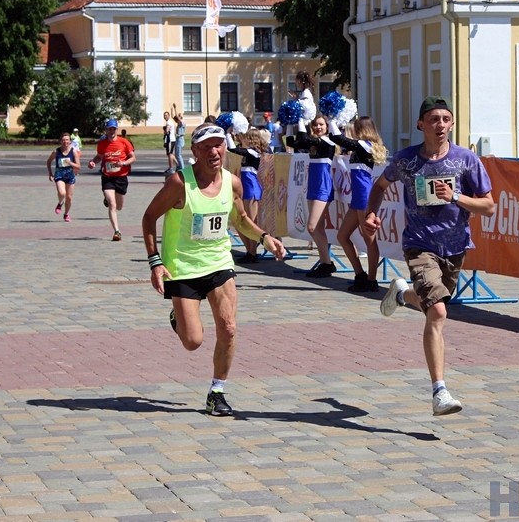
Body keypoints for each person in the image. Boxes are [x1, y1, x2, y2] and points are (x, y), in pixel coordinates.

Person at [141, 122, 286, 416]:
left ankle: (216, 392)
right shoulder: (179, 184)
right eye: (207, 146)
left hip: (219, 262)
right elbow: (148, 218)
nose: (214, 151)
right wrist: (155, 262)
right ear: (194, 151)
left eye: (219, 144)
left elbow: (241, 218)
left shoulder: (232, 182)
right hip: (182, 267)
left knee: (229, 328)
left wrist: (264, 237)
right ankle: (179, 318)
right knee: (192, 341)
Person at [363, 96, 495, 416]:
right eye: (433, 119)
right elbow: (380, 185)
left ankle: (402, 292)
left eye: (445, 119)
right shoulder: (407, 161)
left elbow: (488, 205)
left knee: (428, 303)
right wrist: (370, 214)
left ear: (451, 124)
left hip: (455, 247)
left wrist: (456, 196)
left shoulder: (465, 160)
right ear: (421, 124)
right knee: (437, 312)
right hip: (419, 245)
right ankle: (440, 392)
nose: (440, 125)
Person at [328, 116, 388, 292]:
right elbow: (335, 139)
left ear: (361, 129)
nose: (352, 130)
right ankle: (360, 274)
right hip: (358, 196)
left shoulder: (365, 145)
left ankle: (371, 279)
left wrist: (332, 118)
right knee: (342, 236)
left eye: (355, 127)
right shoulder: (362, 146)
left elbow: (338, 138)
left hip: (364, 196)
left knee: (369, 240)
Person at [288, 114, 337, 277]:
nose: (318, 127)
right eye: (315, 125)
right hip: (313, 185)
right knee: (317, 227)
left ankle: (327, 263)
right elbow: (293, 143)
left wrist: (301, 119)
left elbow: (303, 140)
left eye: (321, 124)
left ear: (327, 126)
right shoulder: (314, 143)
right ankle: (325, 263)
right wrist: (290, 123)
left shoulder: (327, 141)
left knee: (312, 226)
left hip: (323, 185)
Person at [88, 118, 135, 241]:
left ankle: (109, 199)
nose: (111, 131)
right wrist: (93, 162)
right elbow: (99, 157)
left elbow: (133, 158)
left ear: (116, 129)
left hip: (121, 177)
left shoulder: (124, 142)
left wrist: (124, 163)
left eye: (113, 129)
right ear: (106, 130)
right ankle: (117, 231)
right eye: (109, 129)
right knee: (112, 205)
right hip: (107, 177)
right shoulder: (102, 144)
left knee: (119, 206)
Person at [227, 126, 268, 263]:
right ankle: (249, 251)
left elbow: (233, 150)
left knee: (250, 221)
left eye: (244, 136)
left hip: (251, 189)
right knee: (239, 222)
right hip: (245, 188)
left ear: (250, 139)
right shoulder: (248, 152)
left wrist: (228, 134)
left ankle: (252, 252)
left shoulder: (252, 152)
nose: (241, 137)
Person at [46, 132, 80, 222]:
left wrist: (70, 163)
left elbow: (78, 166)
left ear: (70, 141)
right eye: (63, 140)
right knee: (62, 193)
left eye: (67, 140)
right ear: (60, 141)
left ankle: (66, 214)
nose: (65, 142)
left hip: (70, 176)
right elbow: (48, 162)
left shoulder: (73, 151)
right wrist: (50, 174)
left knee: (69, 198)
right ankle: (60, 203)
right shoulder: (56, 152)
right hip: (59, 175)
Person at [172, 103, 186, 171]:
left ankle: (182, 168)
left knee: (178, 155)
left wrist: (175, 108)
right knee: (176, 154)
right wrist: (172, 109)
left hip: (180, 139)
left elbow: (177, 117)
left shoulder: (182, 122)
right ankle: (178, 166)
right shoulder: (179, 123)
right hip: (179, 139)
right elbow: (174, 117)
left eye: (180, 116)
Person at [163, 111, 177, 175]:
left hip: (170, 140)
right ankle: (178, 165)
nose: (165, 116)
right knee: (171, 154)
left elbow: (167, 130)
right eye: (164, 115)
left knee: (170, 154)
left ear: (168, 116)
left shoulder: (169, 122)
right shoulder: (170, 122)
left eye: (166, 115)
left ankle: (171, 168)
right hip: (171, 139)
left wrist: (165, 131)